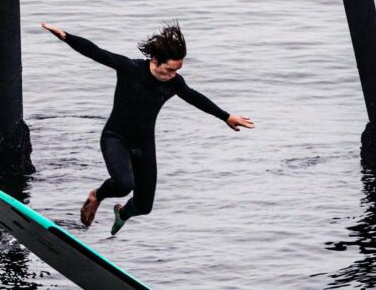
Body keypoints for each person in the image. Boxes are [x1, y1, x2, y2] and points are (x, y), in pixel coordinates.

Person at [41, 21, 254, 235]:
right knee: (124, 184)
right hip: (116, 137)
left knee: (144, 206)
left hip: (143, 144)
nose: (173, 75)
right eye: (170, 69)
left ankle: (122, 214)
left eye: (177, 70)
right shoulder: (130, 69)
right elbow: (96, 53)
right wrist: (66, 36)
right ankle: (97, 196)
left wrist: (226, 117)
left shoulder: (174, 82)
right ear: (154, 60)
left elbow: (194, 97)